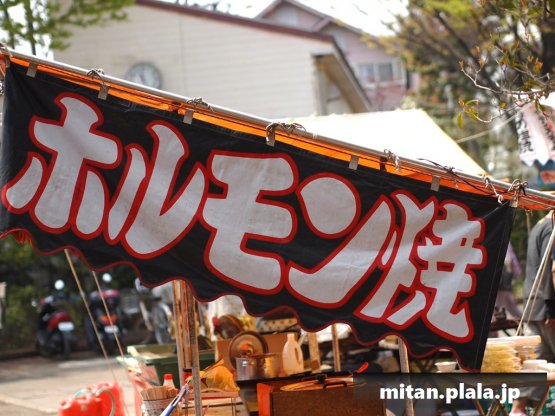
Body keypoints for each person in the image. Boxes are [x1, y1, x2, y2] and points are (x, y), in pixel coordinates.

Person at [510, 213, 555, 415]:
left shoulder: (540, 225)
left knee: (534, 367)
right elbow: (553, 270)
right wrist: (552, 307)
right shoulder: (551, 227)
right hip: (547, 308)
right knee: (535, 366)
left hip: (534, 307)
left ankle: (517, 411)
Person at [495, 242, 523, 321]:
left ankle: (524, 320)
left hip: (502, 279)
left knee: (500, 305)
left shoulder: (501, 239)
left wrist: (508, 276)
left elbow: (508, 260)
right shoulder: (504, 239)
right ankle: (523, 320)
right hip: (504, 279)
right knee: (508, 303)